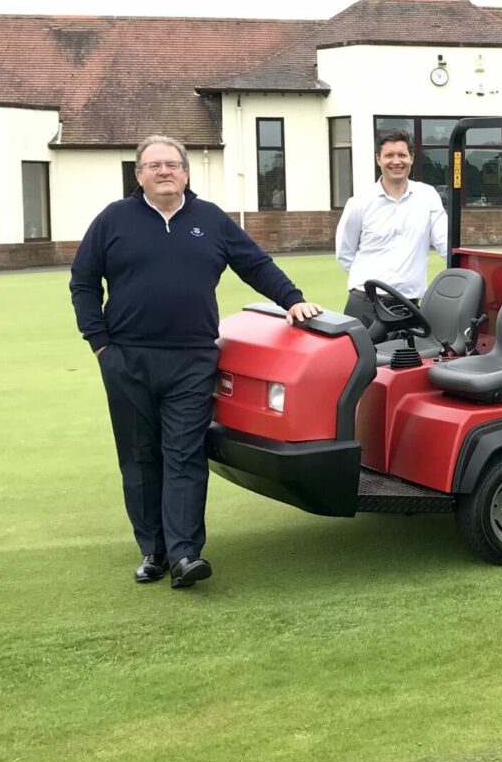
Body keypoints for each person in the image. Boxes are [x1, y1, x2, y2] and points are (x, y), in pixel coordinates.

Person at [70, 134, 323, 587]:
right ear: (138, 175)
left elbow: (255, 264)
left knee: (185, 454)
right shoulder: (113, 220)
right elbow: (83, 283)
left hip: (192, 359)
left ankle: (185, 554)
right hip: (127, 358)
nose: (164, 171)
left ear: (186, 172)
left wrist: (293, 299)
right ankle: (153, 551)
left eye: (172, 164)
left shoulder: (210, 220)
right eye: (154, 165)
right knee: (140, 457)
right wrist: (100, 344)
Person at [335, 127, 449, 332]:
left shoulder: (428, 196)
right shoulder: (359, 202)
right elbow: (345, 252)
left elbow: (445, 244)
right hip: (364, 305)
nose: (396, 161)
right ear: (378, 159)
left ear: (412, 158)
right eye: (389, 155)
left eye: (402, 155)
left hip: (408, 308)